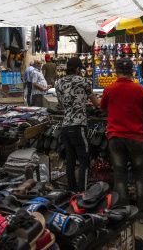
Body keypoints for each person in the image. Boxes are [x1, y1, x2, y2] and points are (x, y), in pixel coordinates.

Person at [100, 57, 143, 224]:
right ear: (132, 71)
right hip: (136, 138)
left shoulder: (109, 89)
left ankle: (124, 213)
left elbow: (102, 109)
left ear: (116, 71)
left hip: (115, 138)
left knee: (120, 175)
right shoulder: (139, 89)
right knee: (140, 175)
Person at [55, 57, 99, 192]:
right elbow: (96, 103)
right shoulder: (84, 81)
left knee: (70, 159)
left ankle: (71, 191)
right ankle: (82, 193)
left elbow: (61, 106)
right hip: (79, 125)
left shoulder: (58, 83)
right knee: (84, 161)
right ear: (78, 69)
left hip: (65, 125)